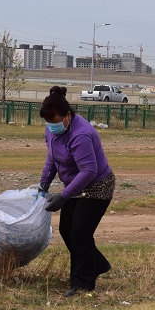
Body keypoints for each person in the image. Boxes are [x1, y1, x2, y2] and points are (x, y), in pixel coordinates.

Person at [38, 86, 115, 296]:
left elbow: (89, 171)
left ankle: (82, 283)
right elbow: (52, 158)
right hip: (75, 185)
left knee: (80, 232)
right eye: (48, 122)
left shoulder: (81, 134)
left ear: (68, 116)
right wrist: (43, 183)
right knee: (66, 229)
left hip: (98, 185)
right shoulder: (52, 129)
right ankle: (96, 264)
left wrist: (63, 196)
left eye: (55, 121)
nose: (51, 126)